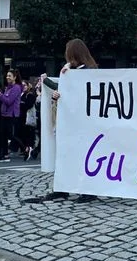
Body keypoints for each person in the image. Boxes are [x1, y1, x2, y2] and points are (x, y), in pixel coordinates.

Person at [29, 39, 100, 203]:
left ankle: (87, 190)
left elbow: (80, 93)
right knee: (65, 155)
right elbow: (68, 91)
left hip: (82, 122)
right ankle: (63, 188)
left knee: (82, 156)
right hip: (71, 122)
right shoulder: (73, 71)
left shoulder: (88, 71)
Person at [0, 69, 24, 162]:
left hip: (12, 114)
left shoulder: (16, 88)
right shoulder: (8, 87)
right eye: (7, 75)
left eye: (9, 76)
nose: (7, 77)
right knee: (2, 135)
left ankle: (25, 148)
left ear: (15, 77)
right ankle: (4, 155)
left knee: (11, 135)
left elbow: (8, 101)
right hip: (4, 114)